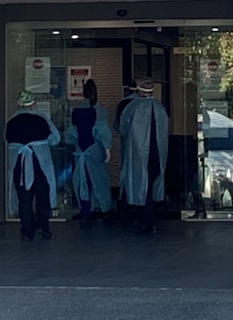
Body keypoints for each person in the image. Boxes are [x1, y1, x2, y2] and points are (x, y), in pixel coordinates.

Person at [5, 90, 60, 240]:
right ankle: (43, 226)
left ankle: (26, 230)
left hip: (19, 163)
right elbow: (56, 138)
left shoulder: (11, 121)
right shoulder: (41, 118)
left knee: (24, 196)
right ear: (33, 104)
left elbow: (7, 140)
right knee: (43, 194)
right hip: (40, 162)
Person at [118, 77, 169, 235]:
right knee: (152, 185)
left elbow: (123, 127)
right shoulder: (160, 108)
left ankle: (144, 221)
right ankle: (149, 219)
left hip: (138, 153)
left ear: (139, 90)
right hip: (158, 154)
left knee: (140, 187)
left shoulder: (132, 106)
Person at [66, 79, 112, 225]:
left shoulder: (76, 110)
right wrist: (107, 148)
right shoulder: (99, 110)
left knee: (82, 180)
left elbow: (71, 133)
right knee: (100, 180)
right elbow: (103, 131)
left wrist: (75, 144)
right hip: (95, 149)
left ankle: (85, 210)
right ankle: (105, 209)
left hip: (80, 151)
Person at [113, 80, 138, 219]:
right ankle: (138, 205)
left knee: (124, 173)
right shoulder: (145, 104)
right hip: (143, 146)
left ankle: (124, 203)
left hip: (125, 142)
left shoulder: (123, 104)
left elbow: (117, 125)